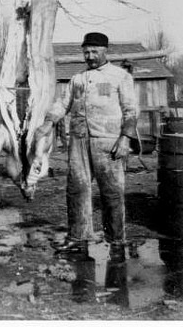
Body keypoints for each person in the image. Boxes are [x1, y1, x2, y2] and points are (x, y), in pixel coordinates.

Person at [42, 32, 137, 258]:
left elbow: (131, 110)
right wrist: (47, 123)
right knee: (76, 190)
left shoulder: (120, 77)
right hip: (79, 143)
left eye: (95, 51)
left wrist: (125, 138)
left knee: (112, 193)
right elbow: (62, 104)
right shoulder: (77, 79)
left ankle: (116, 241)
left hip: (109, 143)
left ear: (106, 51)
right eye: (86, 51)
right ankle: (77, 238)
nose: (90, 55)